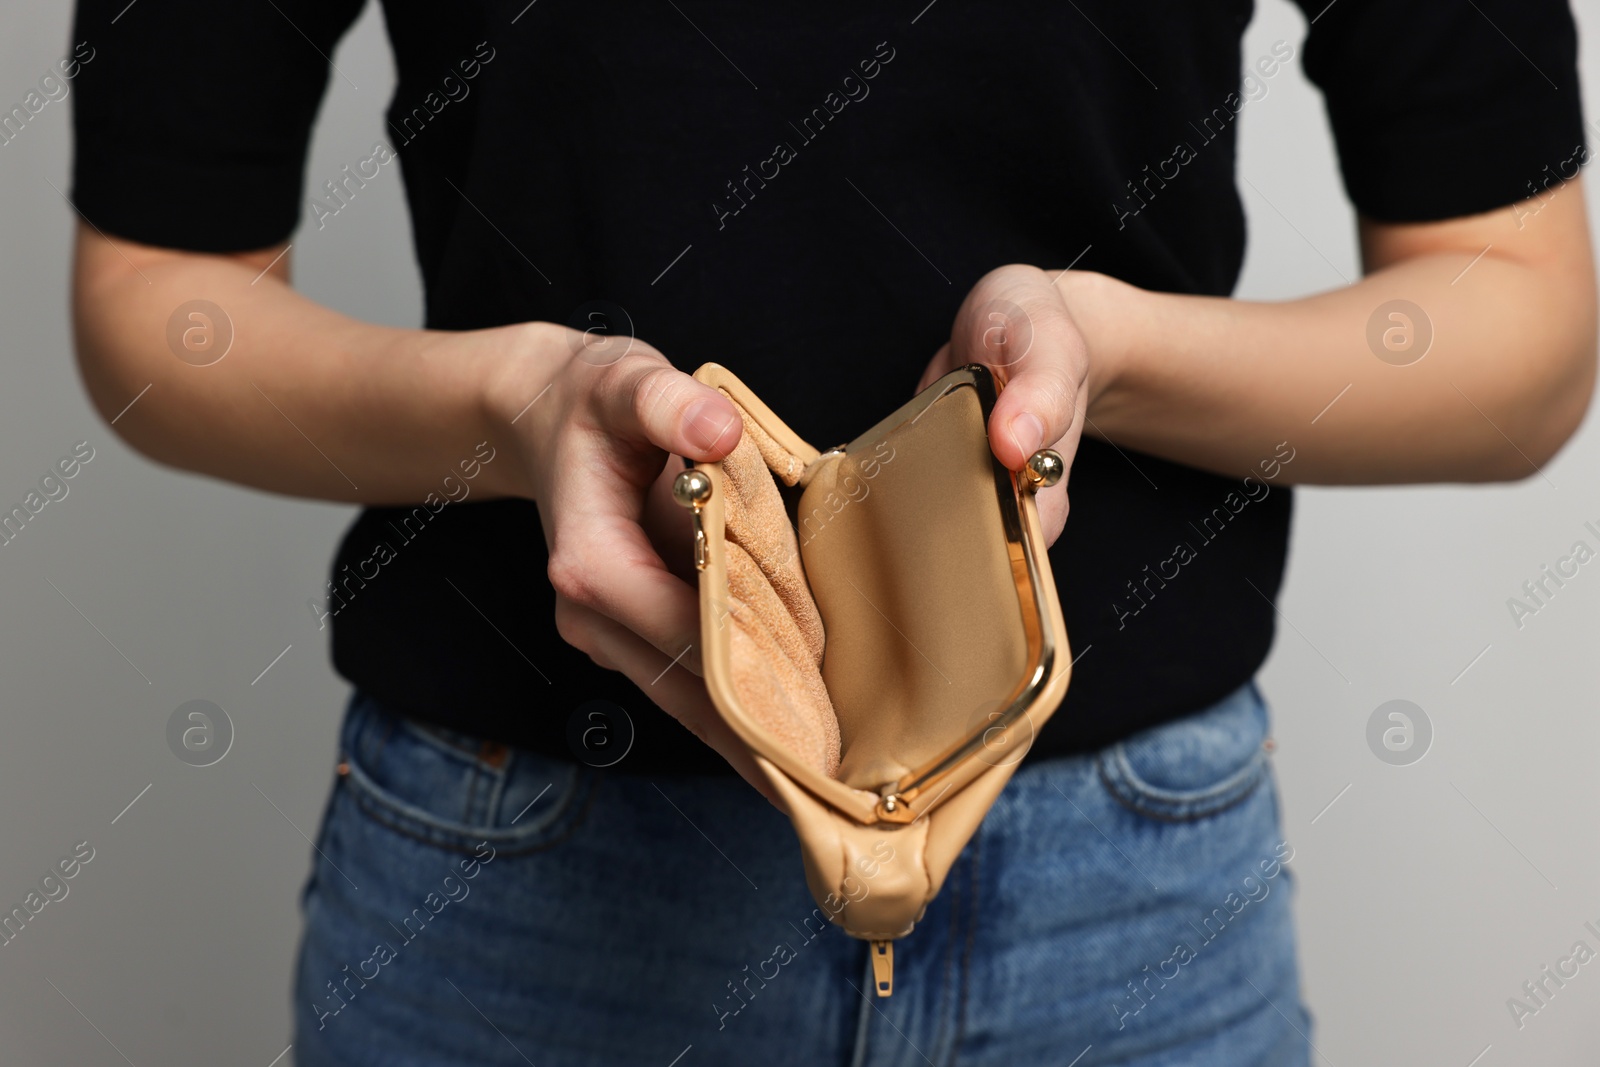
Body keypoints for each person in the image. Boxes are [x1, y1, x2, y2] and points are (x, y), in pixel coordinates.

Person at [68, 0, 1592, 1063]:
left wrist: (1106, 359)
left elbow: (1523, 331)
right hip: (519, 882)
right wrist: (520, 407)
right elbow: (156, 305)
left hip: (1130, 896)